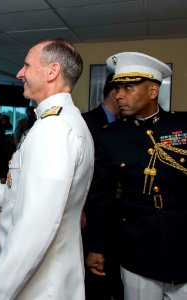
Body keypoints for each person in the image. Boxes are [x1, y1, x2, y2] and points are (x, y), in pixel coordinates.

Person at [0, 38, 94, 299]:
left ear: (52, 72)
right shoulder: (66, 121)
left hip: (37, 285)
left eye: (27, 65)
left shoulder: (53, 130)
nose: (19, 73)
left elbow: (35, 228)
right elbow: (26, 196)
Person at [86, 52, 187, 300]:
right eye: (117, 88)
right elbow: (102, 197)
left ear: (153, 91)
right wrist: (96, 247)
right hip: (137, 244)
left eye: (128, 88)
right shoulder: (111, 137)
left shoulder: (182, 126)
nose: (119, 95)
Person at [82, 74, 123, 300]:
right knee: (94, 280)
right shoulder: (86, 122)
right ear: (116, 92)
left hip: (119, 217)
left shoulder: (127, 125)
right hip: (91, 215)